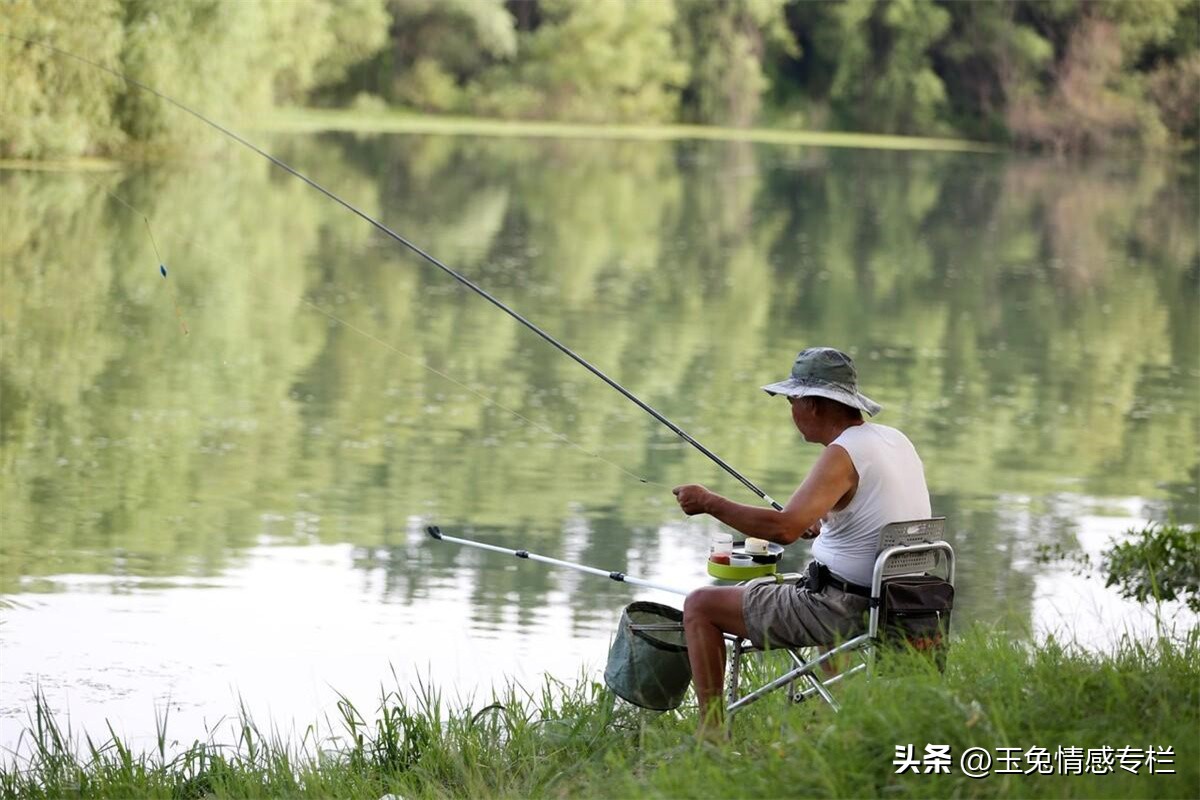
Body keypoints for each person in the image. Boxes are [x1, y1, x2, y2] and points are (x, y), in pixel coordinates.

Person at [672, 346, 930, 735]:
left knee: (700, 605)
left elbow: (783, 530)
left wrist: (709, 502)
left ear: (812, 404)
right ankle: (836, 717)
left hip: (844, 606)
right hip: (905, 598)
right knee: (811, 578)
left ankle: (711, 732)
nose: (791, 411)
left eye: (792, 400)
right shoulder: (892, 440)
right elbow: (869, 513)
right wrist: (824, 522)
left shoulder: (843, 454)